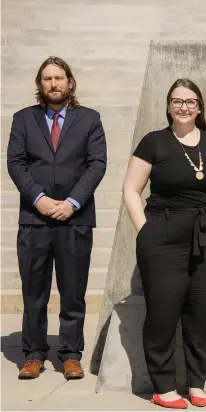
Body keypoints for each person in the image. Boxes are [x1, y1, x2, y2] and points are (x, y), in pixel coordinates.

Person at [122, 78, 206, 409]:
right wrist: (146, 231)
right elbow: (131, 189)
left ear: (199, 107)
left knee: (203, 311)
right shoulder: (154, 142)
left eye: (190, 101)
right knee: (162, 311)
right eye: (177, 101)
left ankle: (197, 382)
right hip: (164, 234)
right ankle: (163, 386)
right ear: (169, 106)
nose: (183, 107)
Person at [6, 56, 107, 380]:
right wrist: (40, 199)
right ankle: (34, 354)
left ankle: (70, 354)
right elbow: (16, 162)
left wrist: (73, 202)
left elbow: (97, 164)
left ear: (70, 83)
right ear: (40, 84)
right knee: (34, 291)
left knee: (73, 292)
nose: (54, 84)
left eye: (59, 78)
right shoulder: (23, 119)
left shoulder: (90, 119)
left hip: (74, 220)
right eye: (47, 79)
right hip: (35, 220)